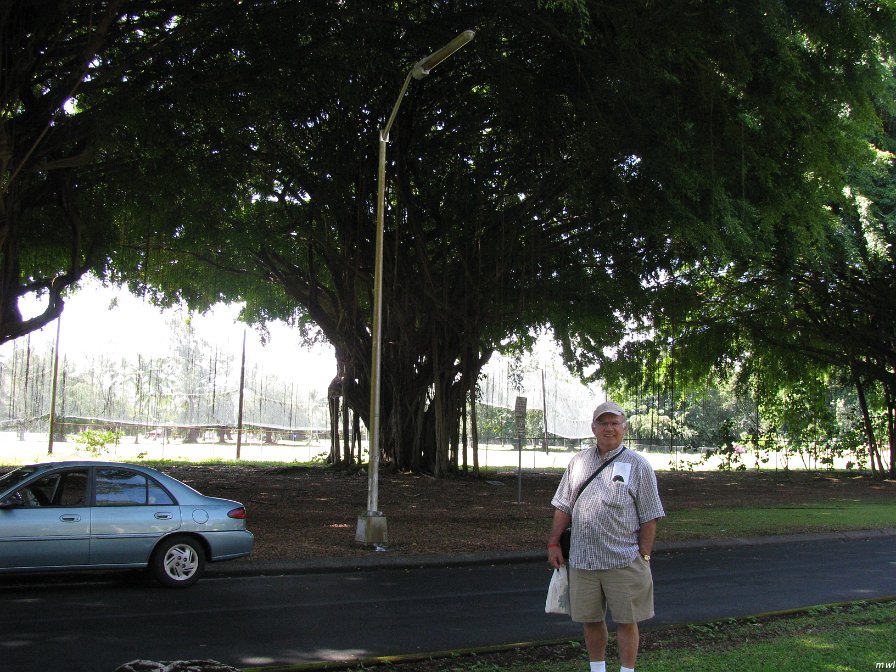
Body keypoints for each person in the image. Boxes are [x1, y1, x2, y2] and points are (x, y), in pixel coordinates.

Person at [547, 401, 665, 672]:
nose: (608, 428)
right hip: (583, 560)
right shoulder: (578, 462)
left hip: (622, 559)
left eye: (614, 423)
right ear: (593, 428)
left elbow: (650, 516)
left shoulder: (638, 465)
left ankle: (627, 669)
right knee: (590, 619)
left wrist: (644, 555)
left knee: (627, 620)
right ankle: (597, 669)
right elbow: (563, 506)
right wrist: (554, 542)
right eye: (603, 423)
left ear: (624, 428)